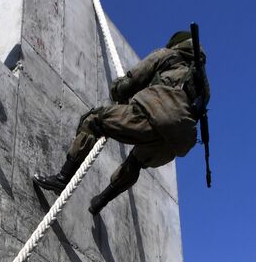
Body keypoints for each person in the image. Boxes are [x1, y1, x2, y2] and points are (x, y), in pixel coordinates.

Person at [33, 30, 209, 214]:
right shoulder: (202, 86)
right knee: (135, 163)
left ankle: (62, 179)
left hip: (152, 119)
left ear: (176, 44)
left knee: (93, 120)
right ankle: (101, 200)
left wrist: (117, 91)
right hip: (173, 146)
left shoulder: (166, 55)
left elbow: (130, 83)